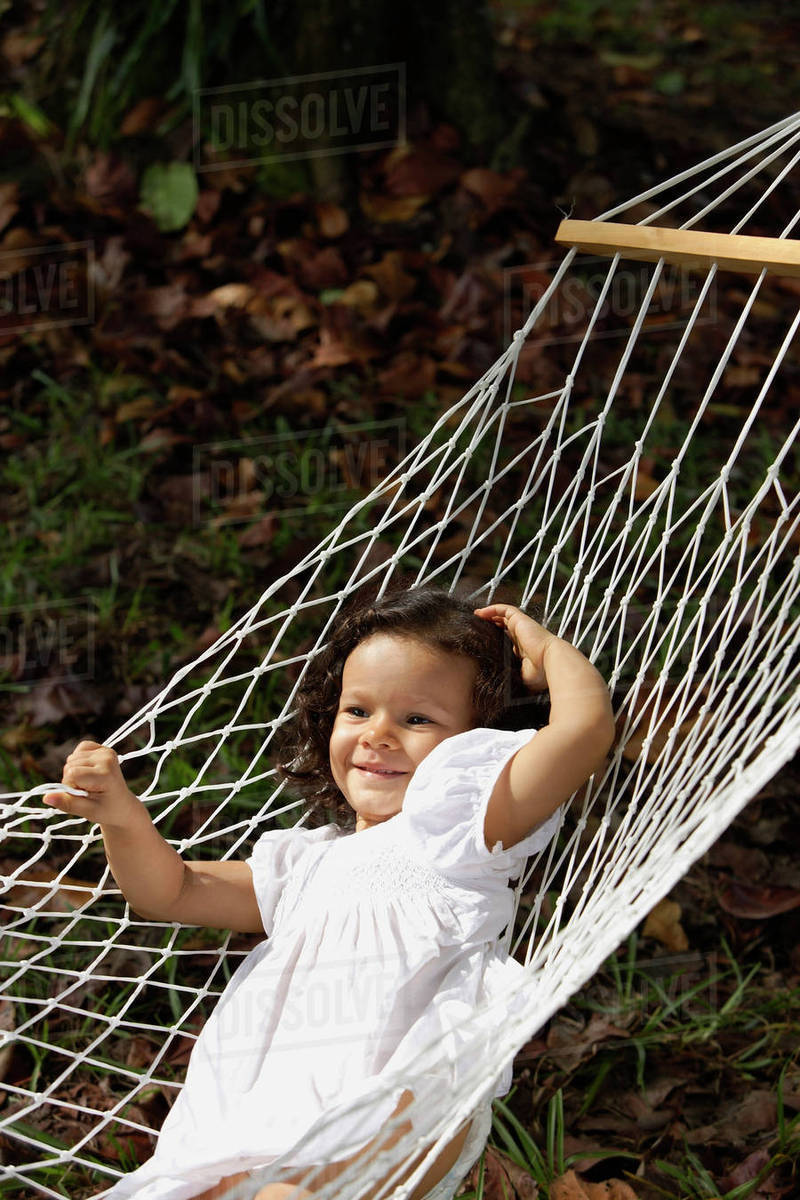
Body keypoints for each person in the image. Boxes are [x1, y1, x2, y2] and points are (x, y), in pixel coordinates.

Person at [42, 584, 615, 1200]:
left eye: (417, 719)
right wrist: (123, 819)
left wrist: (548, 651)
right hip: (266, 1111)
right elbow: (174, 891)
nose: (379, 735)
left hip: (393, 1104)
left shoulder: (461, 826)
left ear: (477, 747)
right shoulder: (308, 863)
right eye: (358, 711)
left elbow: (584, 728)